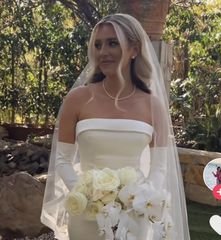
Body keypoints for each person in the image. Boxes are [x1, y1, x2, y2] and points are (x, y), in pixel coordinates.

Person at [41, 13, 191, 240]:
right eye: (98, 45)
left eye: (113, 43)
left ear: (134, 49)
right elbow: (63, 160)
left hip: (133, 217)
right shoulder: (78, 99)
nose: (103, 52)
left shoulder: (153, 105)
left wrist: (137, 203)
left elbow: (160, 168)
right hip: (86, 215)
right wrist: (87, 196)